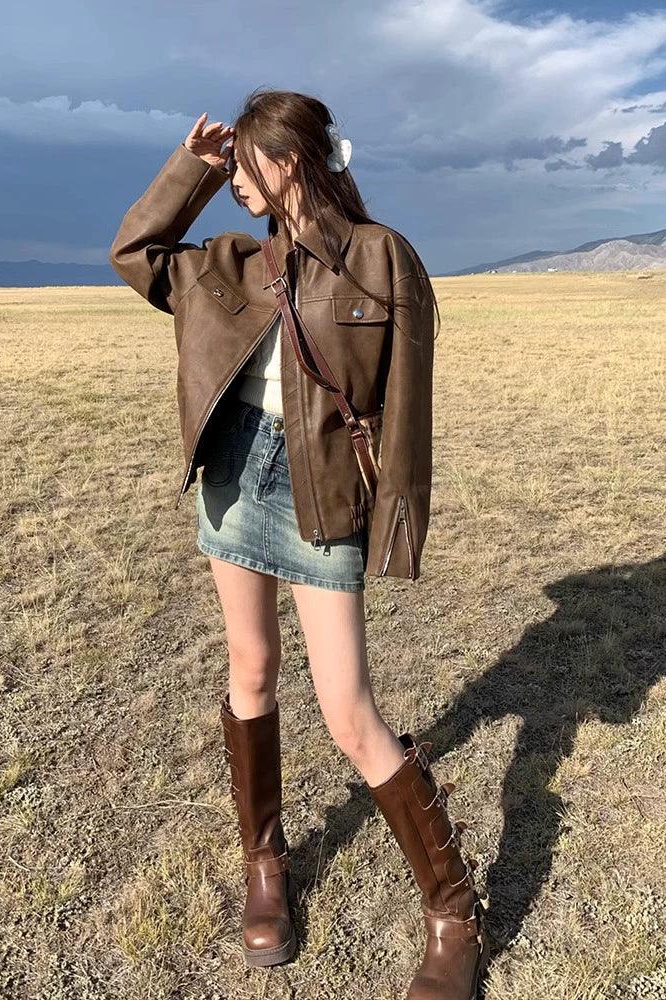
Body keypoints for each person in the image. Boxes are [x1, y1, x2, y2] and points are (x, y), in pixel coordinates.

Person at [109, 88, 489, 1000]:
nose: (237, 178)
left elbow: (406, 409)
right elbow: (136, 254)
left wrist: (396, 524)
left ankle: (452, 911)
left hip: (324, 491)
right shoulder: (230, 263)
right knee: (249, 669)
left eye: (245, 162)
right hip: (236, 477)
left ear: (287, 161)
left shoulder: (381, 258)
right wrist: (194, 170)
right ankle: (266, 867)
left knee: (349, 712)